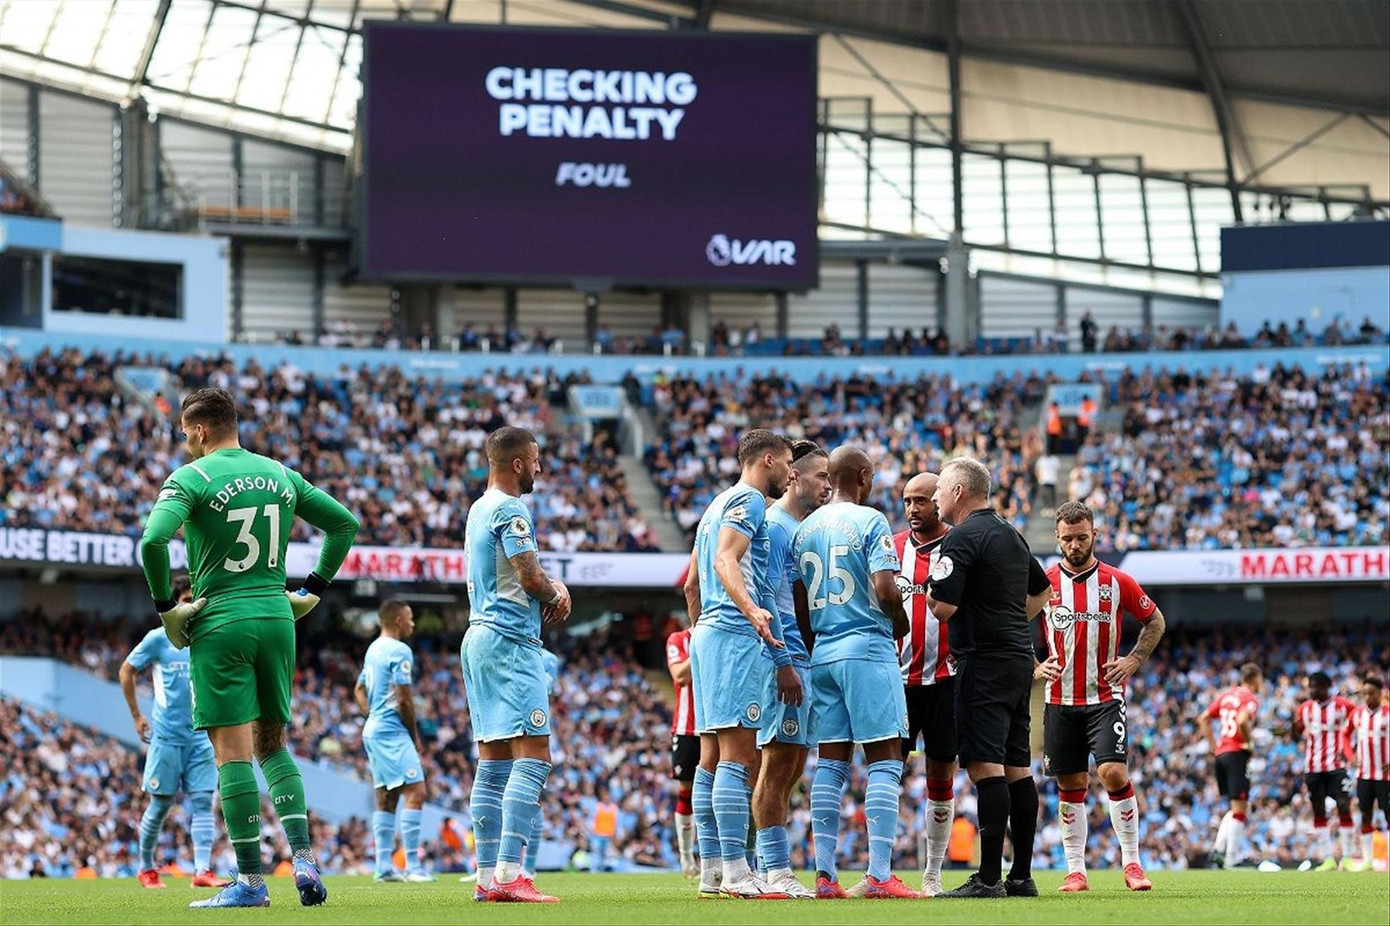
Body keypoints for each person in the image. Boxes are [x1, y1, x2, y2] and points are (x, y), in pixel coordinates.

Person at [138, 387, 360, 909]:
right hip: (278, 616)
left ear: (198, 430)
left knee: (232, 755)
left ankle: (251, 884)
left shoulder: (190, 477)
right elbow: (344, 524)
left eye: (185, 436)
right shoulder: (280, 474)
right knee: (273, 745)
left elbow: (151, 543)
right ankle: (303, 859)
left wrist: (168, 609)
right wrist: (312, 591)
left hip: (221, 621)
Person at [795, 446, 919, 900]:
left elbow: (799, 603)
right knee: (885, 759)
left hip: (823, 651)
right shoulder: (871, 521)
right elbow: (886, 588)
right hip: (867, 645)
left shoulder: (805, 527)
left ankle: (825, 877)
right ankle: (880, 876)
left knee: (831, 763)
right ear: (864, 476)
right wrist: (900, 623)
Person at [925, 457, 1052, 899]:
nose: (935, 497)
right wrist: (1011, 622)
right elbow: (1043, 590)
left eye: (939, 489)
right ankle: (1021, 877)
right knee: (1018, 768)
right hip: (1019, 659)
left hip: (982, 662)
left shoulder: (960, 538)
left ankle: (989, 879)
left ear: (959, 491)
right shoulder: (1010, 533)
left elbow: (941, 608)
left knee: (984, 767)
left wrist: (927, 588)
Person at [459, 425, 573, 904]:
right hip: (509, 640)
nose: (541, 468)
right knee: (535, 757)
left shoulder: (477, 508)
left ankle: (487, 875)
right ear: (519, 463)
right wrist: (558, 593)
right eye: (537, 459)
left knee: (492, 763)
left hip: (478, 638)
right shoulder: (510, 508)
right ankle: (510, 872)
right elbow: (528, 573)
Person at [686, 428, 796, 900]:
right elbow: (725, 561)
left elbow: (691, 584)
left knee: (710, 756)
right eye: (789, 464)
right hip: (733, 634)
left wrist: (701, 636)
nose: (792, 474)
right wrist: (749, 612)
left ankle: (712, 870)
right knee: (740, 756)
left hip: (708, 635)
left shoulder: (714, 505)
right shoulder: (750, 502)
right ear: (767, 459)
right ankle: (736, 871)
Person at [1041, 502, 1165, 892]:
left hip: (1105, 696)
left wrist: (1134, 659)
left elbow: (1154, 621)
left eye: (1081, 537)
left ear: (1094, 534)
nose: (1075, 545)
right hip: (1059, 699)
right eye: (1067, 539)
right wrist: (1033, 665)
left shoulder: (1117, 581)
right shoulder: (1044, 584)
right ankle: (1075, 870)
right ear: (1058, 539)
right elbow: (1011, 623)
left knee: (1113, 772)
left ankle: (1132, 864)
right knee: (1071, 783)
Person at [753, 440, 830, 899]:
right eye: (821, 476)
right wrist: (783, 661)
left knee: (793, 763)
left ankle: (768, 867)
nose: (827, 484)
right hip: (783, 660)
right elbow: (766, 596)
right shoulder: (776, 528)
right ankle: (776, 871)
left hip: (804, 658)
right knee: (778, 764)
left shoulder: (798, 529)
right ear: (795, 476)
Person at [118, 575, 230, 891]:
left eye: (196, 601)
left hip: (201, 736)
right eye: (185, 601)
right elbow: (126, 670)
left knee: (203, 802)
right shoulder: (158, 638)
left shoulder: (209, 637)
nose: (192, 607)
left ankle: (202, 871)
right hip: (166, 736)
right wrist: (137, 715)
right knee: (161, 804)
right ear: (174, 605)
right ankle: (146, 869)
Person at [891, 472, 959, 897]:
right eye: (906, 501)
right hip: (894, 681)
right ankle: (879, 867)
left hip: (946, 680)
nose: (914, 509)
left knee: (940, 773)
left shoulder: (958, 546)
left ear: (938, 500)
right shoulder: (892, 548)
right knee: (885, 772)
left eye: (921, 501)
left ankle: (933, 871)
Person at [355, 600, 435, 884]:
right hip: (391, 731)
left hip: (373, 729)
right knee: (417, 792)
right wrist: (414, 736)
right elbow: (404, 699)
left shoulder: (373, 649)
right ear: (399, 620)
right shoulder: (400, 650)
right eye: (411, 618)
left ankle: (383, 867)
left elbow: (358, 689)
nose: (413, 623)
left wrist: (372, 714)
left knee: (387, 798)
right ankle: (413, 866)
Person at [1203, 663, 1264, 868]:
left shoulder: (1226, 695)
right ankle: (1231, 860)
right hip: (1236, 753)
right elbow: (1242, 719)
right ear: (1255, 679)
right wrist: (1248, 742)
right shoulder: (1250, 698)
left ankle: (1218, 849)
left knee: (1235, 806)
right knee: (1241, 809)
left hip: (1221, 754)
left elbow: (1203, 718)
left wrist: (1213, 745)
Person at [1294, 672, 1356, 870]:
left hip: (1337, 767)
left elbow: (1360, 725)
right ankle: (1328, 858)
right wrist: (1294, 729)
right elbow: (1297, 732)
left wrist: (1351, 751)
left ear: (1327, 686)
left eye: (1316, 686)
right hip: (1313, 767)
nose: (1312, 690)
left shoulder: (1343, 706)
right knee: (1318, 809)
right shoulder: (1304, 708)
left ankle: (1346, 857)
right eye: (1310, 686)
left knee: (1344, 804)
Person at [665, 617, 699, 878]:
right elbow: (679, 675)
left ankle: (718, 858)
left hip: (718, 725)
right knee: (686, 789)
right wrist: (703, 640)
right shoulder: (679, 639)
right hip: (687, 728)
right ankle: (686, 858)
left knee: (716, 791)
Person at [1350, 676, 1389, 872]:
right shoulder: (1357, 714)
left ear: (1381, 693)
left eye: (1371, 693)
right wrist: (1350, 755)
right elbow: (1343, 734)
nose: (1367, 697)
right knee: (1365, 814)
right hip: (1364, 774)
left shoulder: (1388, 713)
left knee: (1388, 814)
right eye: (1364, 693)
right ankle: (1368, 860)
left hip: (1385, 776)